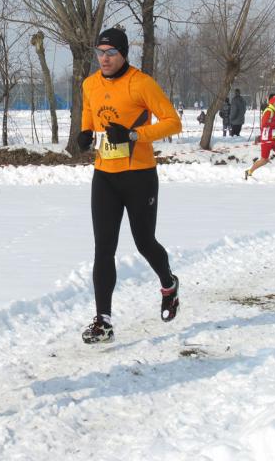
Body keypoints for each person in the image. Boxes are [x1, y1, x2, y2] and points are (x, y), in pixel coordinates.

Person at [77, 27, 182, 344]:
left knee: (144, 242)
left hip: (139, 175)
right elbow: (89, 111)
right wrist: (85, 131)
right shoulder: (90, 84)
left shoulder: (141, 83)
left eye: (111, 53)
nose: (104, 59)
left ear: (123, 54)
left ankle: (168, 285)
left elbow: (173, 121)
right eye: (100, 52)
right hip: (105, 176)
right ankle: (103, 321)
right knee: (103, 248)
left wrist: (135, 135)